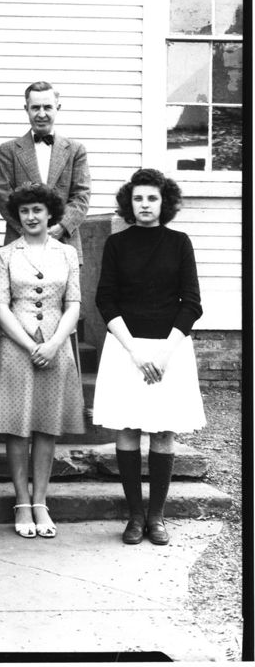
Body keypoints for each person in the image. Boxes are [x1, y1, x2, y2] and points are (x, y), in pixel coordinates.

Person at [93, 169, 204, 546]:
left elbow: (192, 303)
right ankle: (134, 516)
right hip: (127, 350)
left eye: (152, 198)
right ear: (129, 202)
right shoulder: (117, 244)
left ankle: (156, 516)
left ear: (164, 202)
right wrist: (136, 351)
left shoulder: (179, 242)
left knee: (161, 430)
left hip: (169, 350)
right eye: (138, 198)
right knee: (127, 429)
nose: (145, 205)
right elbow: (105, 300)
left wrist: (163, 350)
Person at [0, 183, 84, 539]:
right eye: (25, 211)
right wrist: (29, 343)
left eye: (38, 211)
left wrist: (56, 342)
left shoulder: (65, 253)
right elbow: (1, 305)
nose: (31, 217)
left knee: (46, 424)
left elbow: (73, 303)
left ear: (50, 215)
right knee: (18, 426)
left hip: (56, 347)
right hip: (18, 346)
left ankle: (41, 500)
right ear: (17, 216)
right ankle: (21, 501)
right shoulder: (6, 254)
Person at [0, 82, 91, 262]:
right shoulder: (9, 151)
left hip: (64, 243)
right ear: (26, 109)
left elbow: (81, 196)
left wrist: (61, 226)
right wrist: (29, 230)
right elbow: (3, 196)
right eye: (35, 108)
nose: (41, 114)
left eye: (47, 107)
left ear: (58, 108)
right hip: (20, 242)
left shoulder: (76, 150)